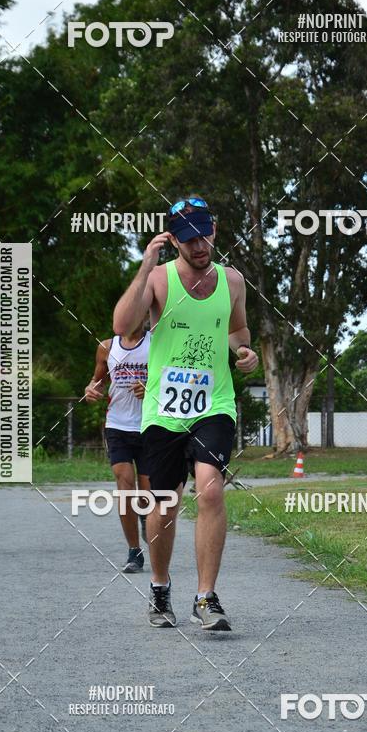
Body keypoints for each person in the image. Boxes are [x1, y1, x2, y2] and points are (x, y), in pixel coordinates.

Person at [113, 196, 258, 631]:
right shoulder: (158, 279)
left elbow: (237, 328)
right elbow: (123, 326)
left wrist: (244, 351)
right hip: (163, 410)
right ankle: (160, 587)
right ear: (173, 239)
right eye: (189, 238)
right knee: (165, 504)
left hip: (214, 403)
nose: (200, 246)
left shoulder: (233, 281)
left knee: (211, 490)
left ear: (214, 230)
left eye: (205, 235)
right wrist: (144, 265)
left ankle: (206, 597)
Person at [85, 323, 151, 572]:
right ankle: (134, 552)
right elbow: (97, 381)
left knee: (146, 493)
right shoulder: (106, 347)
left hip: (150, 426)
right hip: (117, 426)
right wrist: (91, 390)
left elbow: (171, 381)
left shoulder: (157, 343)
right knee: (124, 484)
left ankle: (145, 516)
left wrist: (151, 388)